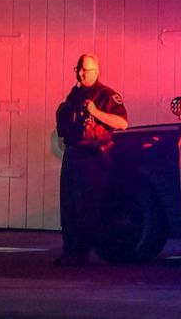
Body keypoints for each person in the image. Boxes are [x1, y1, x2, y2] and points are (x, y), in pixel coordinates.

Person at [55, 53, 129, 265]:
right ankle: (69, 250)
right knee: (69, 205)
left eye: (85, 70)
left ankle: (81, 253)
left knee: (86, 205)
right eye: (78, 69)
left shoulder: (107, 95)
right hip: (73, 155)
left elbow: (122, 123)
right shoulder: (74, 94)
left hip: (93, 157)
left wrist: (95, 112)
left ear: (96, 71)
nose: (80, 73)